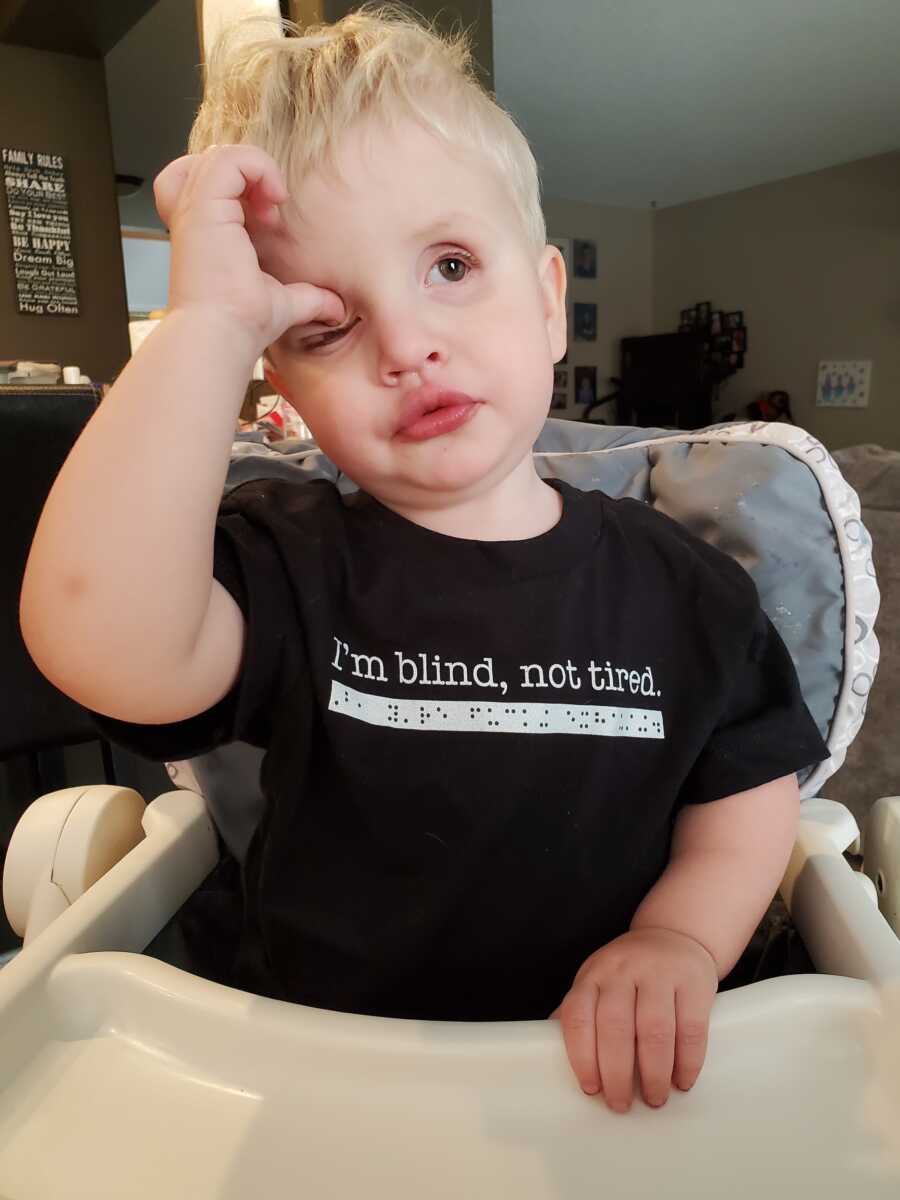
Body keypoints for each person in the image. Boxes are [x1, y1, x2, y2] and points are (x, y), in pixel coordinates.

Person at [19, 4, 828, 1115]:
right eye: (322, 326)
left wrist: (680, 937)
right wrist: (206, 323)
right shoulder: (285, 563)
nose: (405, 346)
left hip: (615, 1102)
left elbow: (746, 794)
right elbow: (100, 640)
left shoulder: (688, 588)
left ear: (548, 304)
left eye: (449, 265)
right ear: (281, 389)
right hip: (330, 1086)